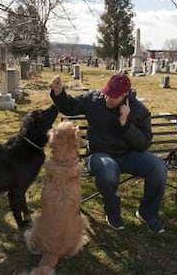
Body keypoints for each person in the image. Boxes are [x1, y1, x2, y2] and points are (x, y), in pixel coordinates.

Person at [50, 73, 167, 233]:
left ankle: (147, 213)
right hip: (99, 155)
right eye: (107, 93)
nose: (107, 98)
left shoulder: (139, 111)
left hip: (128, 155)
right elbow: (69, 106)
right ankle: (113, 212)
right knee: (108, 169)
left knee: (158, 167)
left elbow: (144, 144)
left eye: (113, 96)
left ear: (125, 95)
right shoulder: (95, 100)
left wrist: (125, 125)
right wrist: (59, 93)